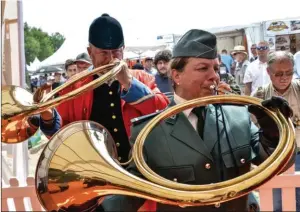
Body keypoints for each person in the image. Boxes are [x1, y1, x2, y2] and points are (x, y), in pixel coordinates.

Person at [98, 29, 295, 212]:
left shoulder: (237, 115)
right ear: (176, 75)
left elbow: (277, 163)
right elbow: (131, 193)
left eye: (216, 68)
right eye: (203, 68)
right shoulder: (150, 131)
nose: (214, 76)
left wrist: (273, 131)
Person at [33, 14, 169, 166]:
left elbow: (164, 112)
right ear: (90, 52)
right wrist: (47, 115)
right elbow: (63, 137)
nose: (111, 59)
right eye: (103, 53)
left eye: (116, 52)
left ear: (123, 50)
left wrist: (129, 82)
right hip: (96, 173)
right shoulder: (74, 86)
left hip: (140, 169)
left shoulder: (142, 78)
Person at [252, 51, 300, 211]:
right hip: (274, 158)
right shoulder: (259, 95)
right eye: (278, 73)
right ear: (268, 72)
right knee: (277, 201)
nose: (284, 77)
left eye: (289, 73)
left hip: (298, 154)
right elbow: (250, 127)